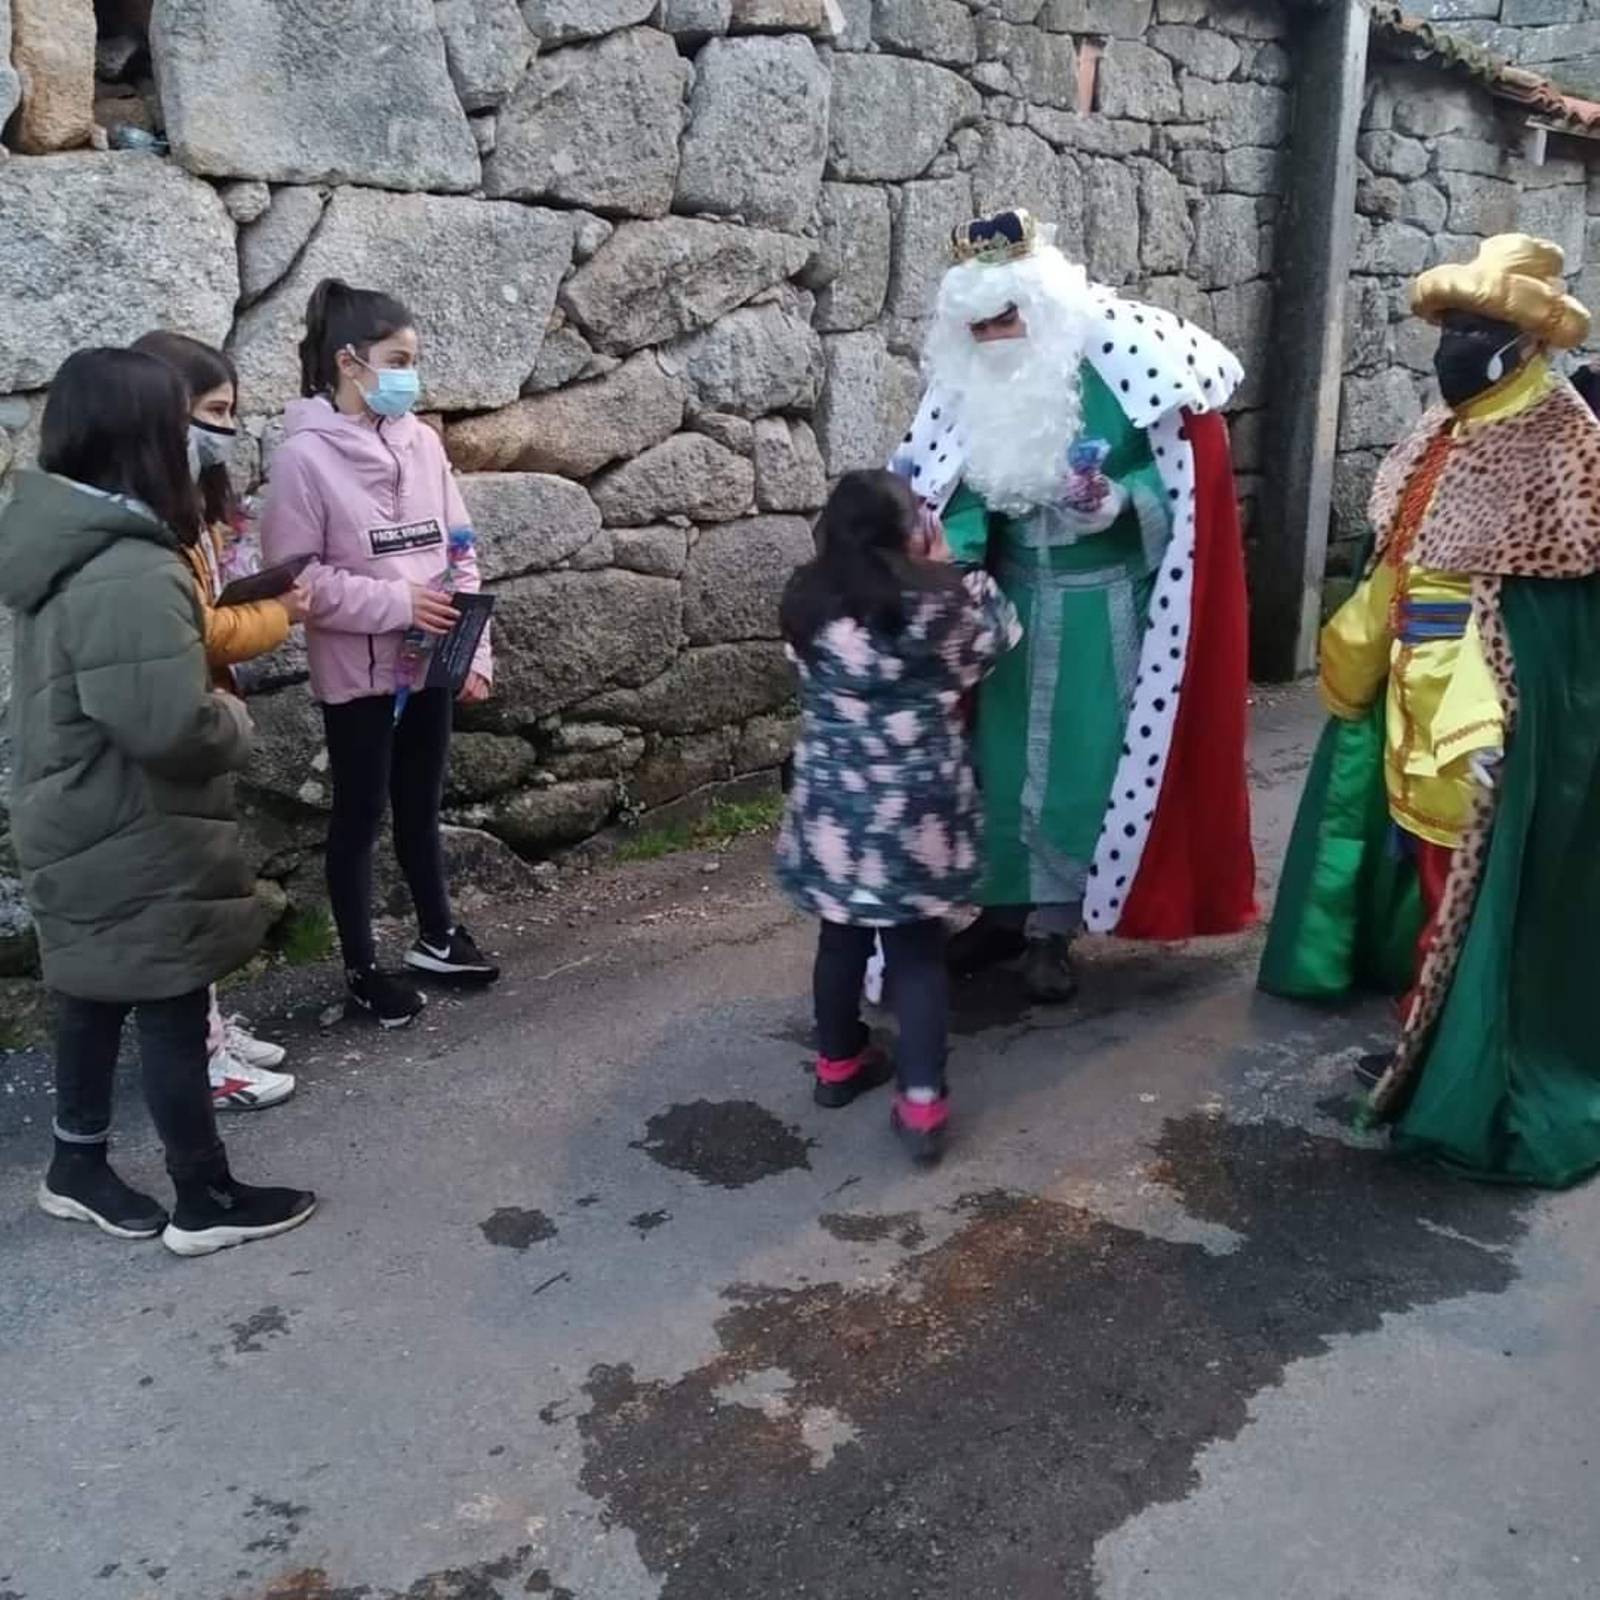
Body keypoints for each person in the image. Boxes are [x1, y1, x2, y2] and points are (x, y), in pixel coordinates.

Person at [1260, 234, 1600, 1187]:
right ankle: (1420, 1009)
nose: (1456, 346)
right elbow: (1396, 564)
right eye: (1451, 327)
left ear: (1528, 343)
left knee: (1474, 889)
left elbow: (1561, 628)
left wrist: (1518, 725)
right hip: (1408, 698)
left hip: (1486, 722)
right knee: (1420, 864)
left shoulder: (1568, 445)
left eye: (1479, 329)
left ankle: (1453, 1054)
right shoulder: (1439, 430)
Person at [888, 207, 1256, 1005]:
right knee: (992, 770)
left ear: (1044, 309)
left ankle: (1055, 930)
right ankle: (1001, 913)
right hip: (1004, 613)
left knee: (1083, 777)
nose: (994, 337)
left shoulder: (1130, 368)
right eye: (979, 325)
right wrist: (956, 548)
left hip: (1103, 614)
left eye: (1007, 318)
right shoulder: (972, 380)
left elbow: (1186, 487)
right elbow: (949, 484)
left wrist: (1118, 502)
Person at [0, 347, 315, 1254]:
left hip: (77, 806)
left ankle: (77, 1166)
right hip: (128, 818)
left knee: (94, 991)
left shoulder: (64, 540)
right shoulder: (130, 565)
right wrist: (231, 719)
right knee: (174, 996)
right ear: (143, 435)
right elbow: (167, 725)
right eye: (185, 424)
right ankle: (203, 1198)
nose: (198, 441)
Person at [261, 279, 497, 1028]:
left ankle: (435, 935)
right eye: (398, 359)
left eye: (413, 360)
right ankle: (362, 969)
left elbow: (460, 553)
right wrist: (395, 603)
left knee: (422, 806)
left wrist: (472, 652)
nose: (410, 376)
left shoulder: (423, 442)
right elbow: (296, 582)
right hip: (359, 676)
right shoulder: (302, 460)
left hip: (431, 662)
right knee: (360, 817)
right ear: (349, 362)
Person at [777, 470, 1021, 1162]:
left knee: (840, 936)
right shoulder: (940, 605)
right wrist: (950, 568)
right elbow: (1001, 637)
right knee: (915, 952)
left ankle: (837, 1064)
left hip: (834, 809)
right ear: (908, 531)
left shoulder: (807, 600)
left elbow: (802, 670)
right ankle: (921, 1102)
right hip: (918, 811)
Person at [133, 329, 306, 1112]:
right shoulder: (142, 526)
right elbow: (197, 626)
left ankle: (207, 1033)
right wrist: (277, 610)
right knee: (181, 895)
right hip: (178, 720)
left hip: (204, 708)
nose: (225, 430)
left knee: (200, 882)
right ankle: (201, 1058)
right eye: (214, 411)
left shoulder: (187, 506)